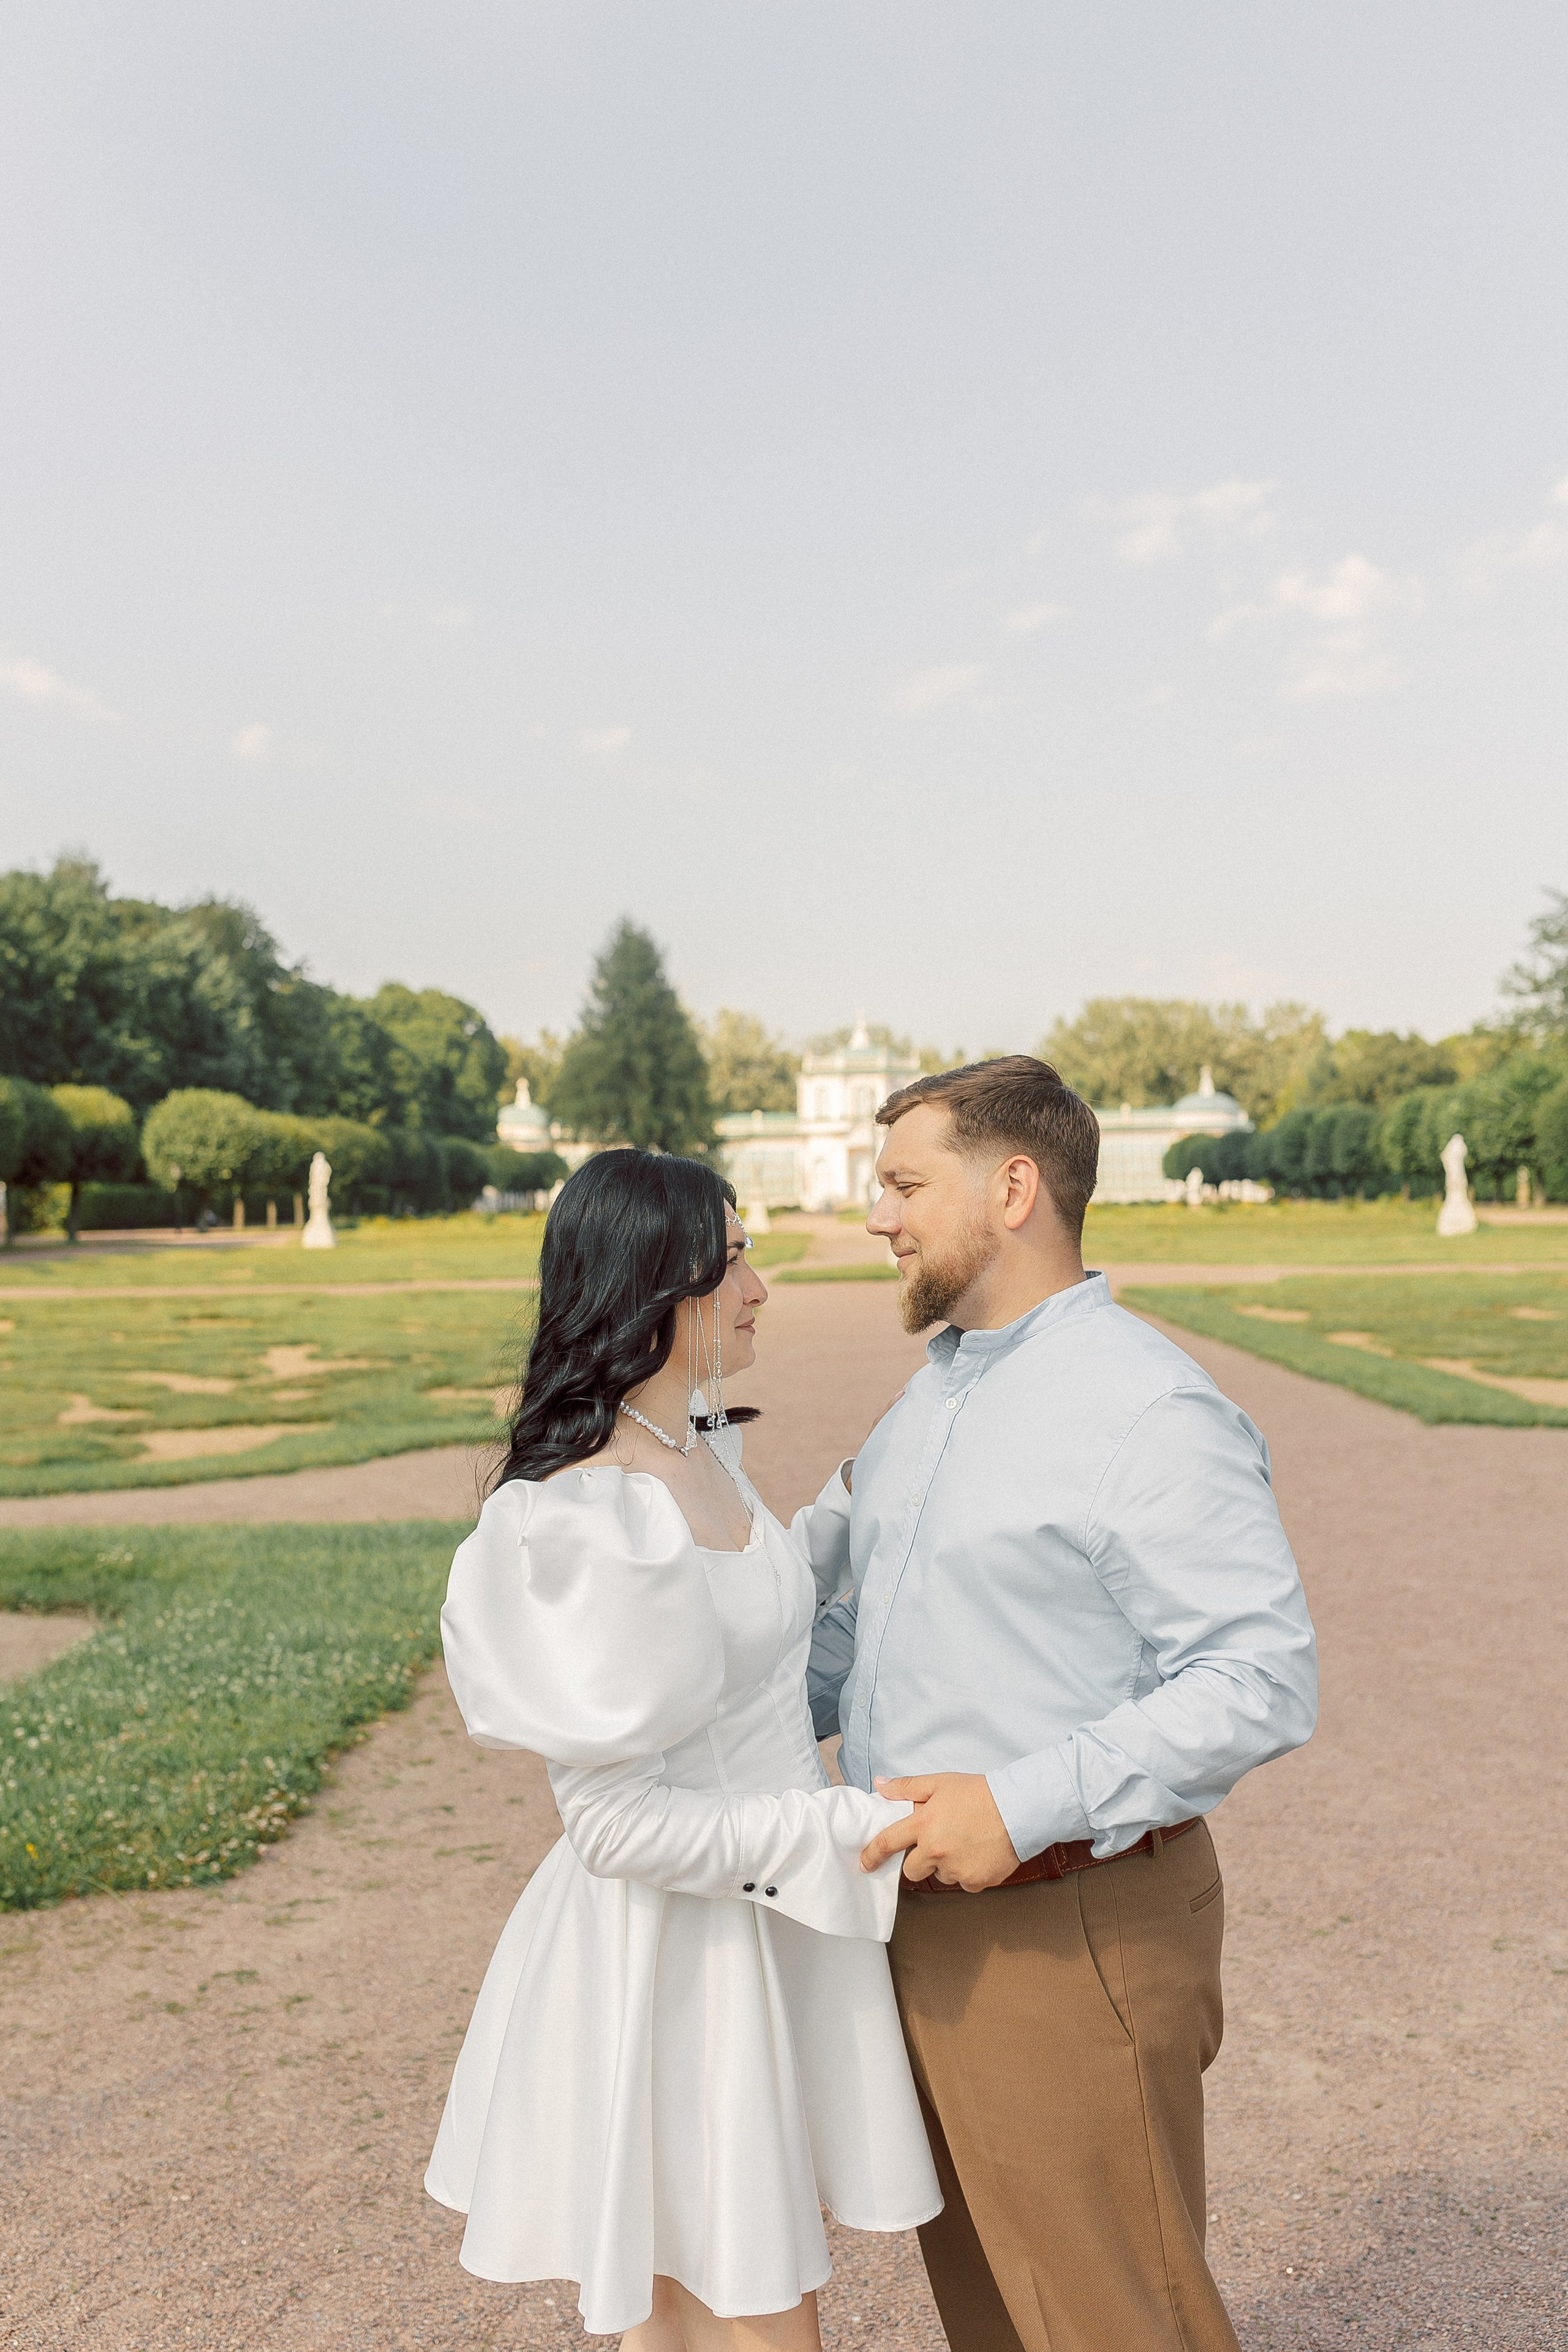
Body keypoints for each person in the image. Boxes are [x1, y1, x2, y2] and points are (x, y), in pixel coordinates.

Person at [802, 1056, 1318, 2352]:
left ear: (1013, 1187)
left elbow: (1258, 1677)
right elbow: (847, 1635)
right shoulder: (936, 1394)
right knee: (993, 2312)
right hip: (919, 1922)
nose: (879, 1215)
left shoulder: (1145, 1411)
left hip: (1068, 1922)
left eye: (905, 1183)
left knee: (1110, 2316)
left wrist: (1020, 1804)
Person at [424, 1151, 941, 2350]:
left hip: (745, 1925)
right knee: (745, 2313)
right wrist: (840, 1830)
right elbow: (612, 1827)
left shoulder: (692, 1448)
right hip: (672, 1954)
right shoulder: (592, 1510)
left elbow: (748, 1623)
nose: (758, 1287)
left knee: (695, 2304)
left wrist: (871, 1492)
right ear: (654, 1289)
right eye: (733, 1260)